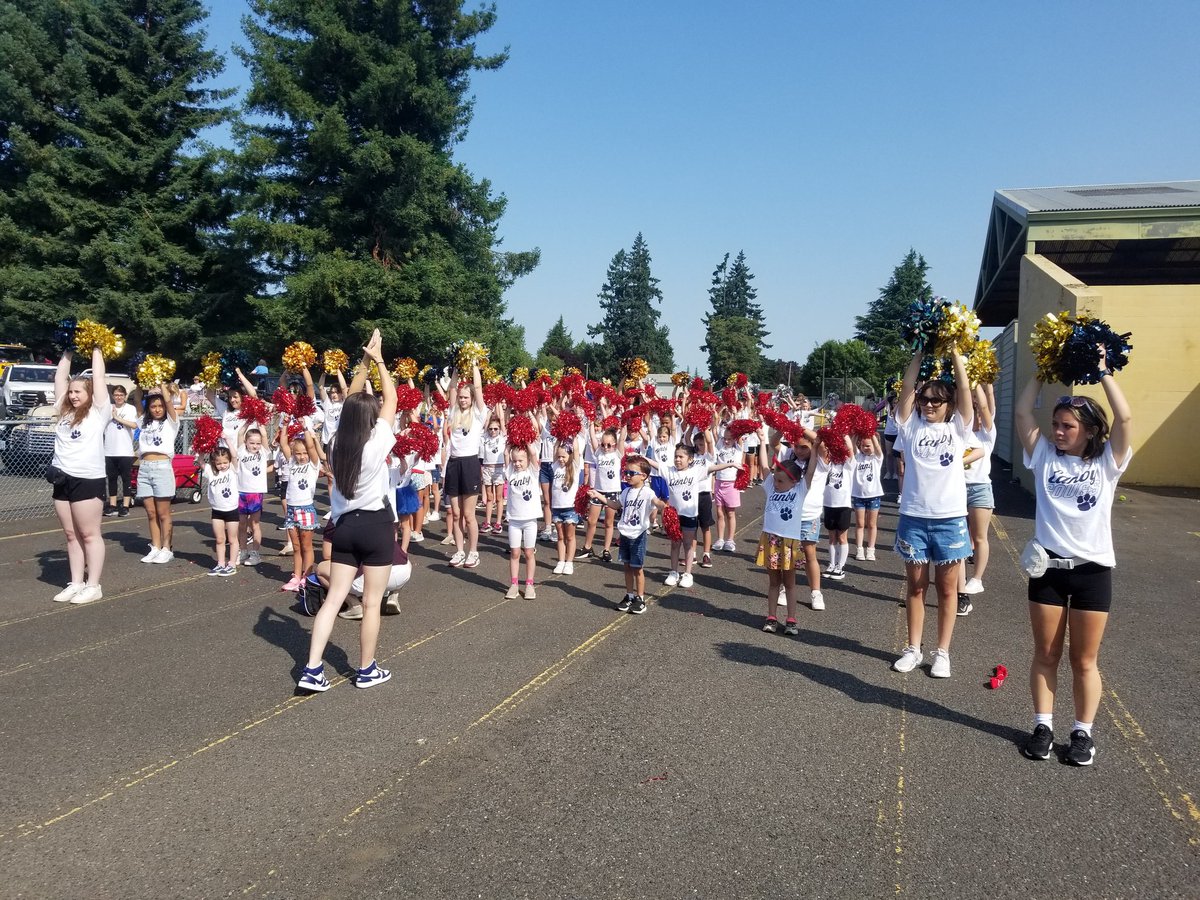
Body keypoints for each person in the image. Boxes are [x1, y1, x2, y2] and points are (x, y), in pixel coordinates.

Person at [1015, 348, 1132, 766]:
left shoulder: (1108, 462)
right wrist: (1043, 370)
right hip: (1048, 570)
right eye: (1056, 425)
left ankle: (1083, 733)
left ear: (1089, 431)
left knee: (1084, 659)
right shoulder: (1044, 454)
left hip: (1093, 572)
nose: (1058, 431)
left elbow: (1126, 420)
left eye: (1067, 426)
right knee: (1045, 653)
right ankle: (1043, 726)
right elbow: (1024, 412)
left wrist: (1102, 372)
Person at [298, 329, 399, 692]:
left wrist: (364, 362)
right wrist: (380, 359)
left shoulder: (337, 439)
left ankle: (311, 669)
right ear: (370, 419)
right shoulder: (376, 443)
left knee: (334, 599)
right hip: (374, 525)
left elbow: (351, 400)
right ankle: (366, 668)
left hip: (343, 526)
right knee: (372, 603)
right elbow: (392, 398)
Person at [891, 349, 973, 678]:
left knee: (948, 589)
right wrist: (919, 352)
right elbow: (906, 388)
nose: (928, 405)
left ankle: (943, 652)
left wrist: (955, 353)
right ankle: (913, 648)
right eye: (925, 399)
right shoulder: (909, 429)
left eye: (937, 401)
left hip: (950, 520)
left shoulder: (958, 430)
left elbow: (965, 391)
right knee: (916, 587)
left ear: (949, 406)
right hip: (913, 518)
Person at [49, 344, 109, 604]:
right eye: (71, 391)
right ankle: (75, 582)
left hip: (88, 478)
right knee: (71, 535)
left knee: (89, 534)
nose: (73, 396)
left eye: (78, 392)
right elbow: (59, 377)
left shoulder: (98, 412)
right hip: (62, 476)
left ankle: (93, 585)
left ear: (90, 394)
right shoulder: (64, 411)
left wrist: (95, 347)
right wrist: (67, 353)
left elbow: (98, 377)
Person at [646, 444, 738, 589]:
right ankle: (673, 572)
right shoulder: (669, 471)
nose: (677, 459)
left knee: (689, 545)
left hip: (689, 515)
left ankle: (687, 574)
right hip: (674, 516)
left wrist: (731, 464)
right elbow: (655, 464)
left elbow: (713, 468)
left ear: (690, 459)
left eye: (681, 457)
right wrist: (640, 457)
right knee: (675, 545)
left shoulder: (696, 471)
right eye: (676, 456)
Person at [590, 455, 663, 614]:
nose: (627, 476)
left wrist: (668, 508)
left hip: (638, 535)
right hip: (624, 533)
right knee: (627, 566)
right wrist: (599, 496)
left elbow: (658, 503)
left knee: (637, 568)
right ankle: (629, 595)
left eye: (631, 473)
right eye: (626, 472)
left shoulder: (648, 493)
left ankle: (640, 598)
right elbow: (615, 505)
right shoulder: (626, 492)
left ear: (643, 476)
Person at [755, 451, 817, 636]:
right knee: (774, 582)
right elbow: (765, 467)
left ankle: (791, 619)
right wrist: (761, 439)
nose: (776, 484)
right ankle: (771, 617)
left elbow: (811, 471)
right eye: (775, 480)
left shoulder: (800, 490)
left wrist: (815, 447)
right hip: (771, 540)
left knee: (790, 583)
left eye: (781, 481)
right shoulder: (771, 488)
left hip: (789, 542)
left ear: (794, 482)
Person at [958, 383, 997, 613]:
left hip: (981, 488)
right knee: (961, 540)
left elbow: (984, 404)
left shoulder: (987, 436)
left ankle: (977, 578)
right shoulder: (959, 432)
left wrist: (978, 382)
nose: (978, 417)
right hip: (957, 489)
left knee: (979, 537)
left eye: (980, 414)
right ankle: (960, 587)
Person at [444, 362, 487, 568]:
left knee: (469, 515)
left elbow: (478, 388)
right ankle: (460, 551)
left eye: (465, 397)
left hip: (470, 464)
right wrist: (455, 368)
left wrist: (474, 365)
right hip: (453, 464)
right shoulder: (453, 413)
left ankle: (473, 551)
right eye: (460, 397)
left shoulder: (479, 414)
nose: (462, 400)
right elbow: (452, 388)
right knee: (456, 513)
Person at [136, 382, 181, 564]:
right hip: (144, 468)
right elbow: (138, 399)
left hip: (162, 467)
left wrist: (161, 383)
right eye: (153, 406)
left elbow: (169, 402)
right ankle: (155, 546)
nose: (157, 409)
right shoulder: (143, 422)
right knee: (150, 513)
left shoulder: (171, 422)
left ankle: (166, 547)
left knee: (163, 513)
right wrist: (140, 380)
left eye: (160, 406)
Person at [502, 428, 542, 599]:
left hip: (530, 519)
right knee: (515, 553)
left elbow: (533, 453)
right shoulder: (510, 471)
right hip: (514, 520)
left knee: (528, 552)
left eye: (521, 460)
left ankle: (530, 584)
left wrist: (524, 437)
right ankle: (513, 584)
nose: (518, 463)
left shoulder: (532, 472)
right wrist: (510, 443)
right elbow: (505, 453)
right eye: (515, 461)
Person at [279, 427, 320, 592]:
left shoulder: (313, 465)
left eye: (304, 453)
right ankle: (296, 576)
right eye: (298, 453)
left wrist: (306, 427)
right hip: (291, 509)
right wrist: (285, 425)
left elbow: (311, 447)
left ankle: (307, 576)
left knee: (306, 545)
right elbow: (283, 444)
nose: (302, 456)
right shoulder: (291, 463)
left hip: (306, 509)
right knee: (296, 546)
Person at [578, 426, 622, 562]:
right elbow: (592, 438)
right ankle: (587, 547)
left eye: (609, 445)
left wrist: (625, 424)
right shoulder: (599, 453)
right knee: (591, 521)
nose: (606, 447)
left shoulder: (617, 454)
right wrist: (591, 421)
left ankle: (606, 550)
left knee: (609, 523)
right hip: (598, 490)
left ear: (615, 444)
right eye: (603, 444)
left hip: (612, 491)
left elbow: (622, 437)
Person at [236, 422, 272, 566]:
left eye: (257, 443)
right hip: (241, 491)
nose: (255, 446)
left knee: (255, 524)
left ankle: (255, 553)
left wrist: (259, 419)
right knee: (242, 524)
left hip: (256, 493)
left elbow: (263, 434)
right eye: (252, 443)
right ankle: (243, 550)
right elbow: (240, 433)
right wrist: (246, 421)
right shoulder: (241, 451)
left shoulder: (263, 453)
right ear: (246, 442)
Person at [821, 435, 855, 581]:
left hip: (843, 505)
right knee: (831, 536)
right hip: (828, 504)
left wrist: (844, 435)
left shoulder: (848, 465)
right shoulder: (828, 465)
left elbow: (850, 450)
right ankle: (831, 564)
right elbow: (822, 451)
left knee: (842, 536)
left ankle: (840, 566)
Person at [201, 447, 239, 576]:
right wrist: (201, 446)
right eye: (218, 463)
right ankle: (220, 563)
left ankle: (232, 564)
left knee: (233, 539)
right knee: (219, 539)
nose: (222, 466)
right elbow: (200, 460)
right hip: (217, 510)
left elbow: (234, 455)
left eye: (224, 462)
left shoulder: (233, 470)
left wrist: (227, 440)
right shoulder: (210, 472)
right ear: (213, 463)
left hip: (232, 510)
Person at [103, 384, 137, 518]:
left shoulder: (130, 408)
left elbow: (134, 424)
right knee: (111, 478)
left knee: (126, 478)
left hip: (125, 450)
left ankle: (125, 505)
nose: (118, 397)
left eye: (121, 395)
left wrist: (117, 418)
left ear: (125, 396)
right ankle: (112, 504)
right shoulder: (108, 409)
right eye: (116, 395)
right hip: (110, 450)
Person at [549, 441, 583, 575]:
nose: (561, 459)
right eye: (559, 457)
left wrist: (572, 435)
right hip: (557, 507)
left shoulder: (574, 466)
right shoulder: (555, 466)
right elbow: (555, 448)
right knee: (560, 536)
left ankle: (569, 562)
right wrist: (560, 436)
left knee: (570, 536)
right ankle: (561, 561)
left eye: (563, 457)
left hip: (570, 508)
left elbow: (575, 449)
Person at [851, 434, 884, 561]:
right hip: (859, 495)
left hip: (874, 495)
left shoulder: (877, 458)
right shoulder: (857, 457)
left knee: (872, 524)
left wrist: (871, 432)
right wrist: (855, 433)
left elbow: (877, 447)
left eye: (868, 445)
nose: (865, 448)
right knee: (860, 523)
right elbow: (851, 447)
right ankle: (859, 549)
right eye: (863, 445)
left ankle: (871, 549)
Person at [712, 426, 744, 555]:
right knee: (719, 512)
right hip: (719, 482)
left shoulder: (738, 448)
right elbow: (714, 429)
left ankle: (730, 540)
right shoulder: (719, 445)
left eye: (729, 439)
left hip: (732, 484)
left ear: (735, 439)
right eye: (725, 438)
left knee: (730, 513)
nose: (726, 441)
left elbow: (740, 434)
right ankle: (720, 539)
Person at [479, 416, 507, 534]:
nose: (493, 431)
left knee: (499, 498)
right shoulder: (484, 437)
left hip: (499, 469)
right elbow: (485, 421)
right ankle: (488, 522)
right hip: (487, 469)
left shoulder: (502, 438)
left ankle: (498, 523)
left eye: (496, 429)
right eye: (491, 429)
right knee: (489, 497)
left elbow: (502, 418)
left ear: (500, 429)